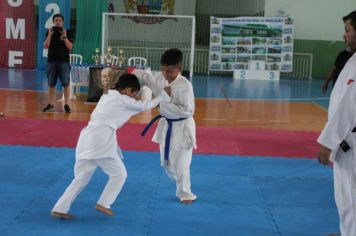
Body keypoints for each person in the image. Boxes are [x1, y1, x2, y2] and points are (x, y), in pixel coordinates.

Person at [51, 70, 171, 219]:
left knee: (81, 178)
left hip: (86, 138)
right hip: (100, 140)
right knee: (119, 174)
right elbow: (145, 106)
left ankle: (60, 208)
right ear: (127, 90)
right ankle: (104, 203)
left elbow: (133, 107)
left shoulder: (107, 96)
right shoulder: (123, 99)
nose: (133, 98)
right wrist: (163, 95)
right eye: (134, 94)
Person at [140, 48, 197, 204]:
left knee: (182, 163)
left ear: (179, 69)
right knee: (166, 164)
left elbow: (188, 111)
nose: (165, 73)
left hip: (182, 127)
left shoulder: (185, 86)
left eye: (170, 71)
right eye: (163, 69)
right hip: (166, 125)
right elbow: (148, 79)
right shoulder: (161, 78)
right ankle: (180, 181)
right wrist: (137, 73)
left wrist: (162, 102)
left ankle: (185, 193)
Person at [317, 11, 356, 236]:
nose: (344, 36)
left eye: (348, 31)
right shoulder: (352, 60)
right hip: (348, 137)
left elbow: (348, 107)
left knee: (348, 195)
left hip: (349, 142)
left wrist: (328, 143)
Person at [42, 13, 73, 113]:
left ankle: (67, 105)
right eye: (56, 20)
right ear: (54, 22)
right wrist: (50, 35)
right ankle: (51, 104)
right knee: (51, 84)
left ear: (63, 22)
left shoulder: (67, 32)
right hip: (51, 62)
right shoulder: (49, 32)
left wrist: (65, 37)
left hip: (64, 62)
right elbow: (46, 46)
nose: (58, 22)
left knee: (65, 83)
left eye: (60, 20)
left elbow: (70, 47)